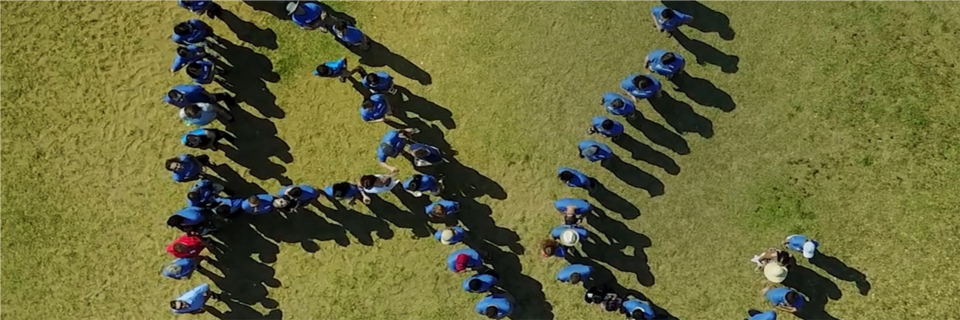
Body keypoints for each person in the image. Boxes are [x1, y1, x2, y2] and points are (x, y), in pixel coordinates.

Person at [164, 84, 231, 108]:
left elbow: (201, 90)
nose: (181, 100)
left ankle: (227, 98)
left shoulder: (192, 90)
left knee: (216, 98)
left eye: (181, 98)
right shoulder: (169, 99)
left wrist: (210, 95)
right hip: (194, 104)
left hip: (201, 98)